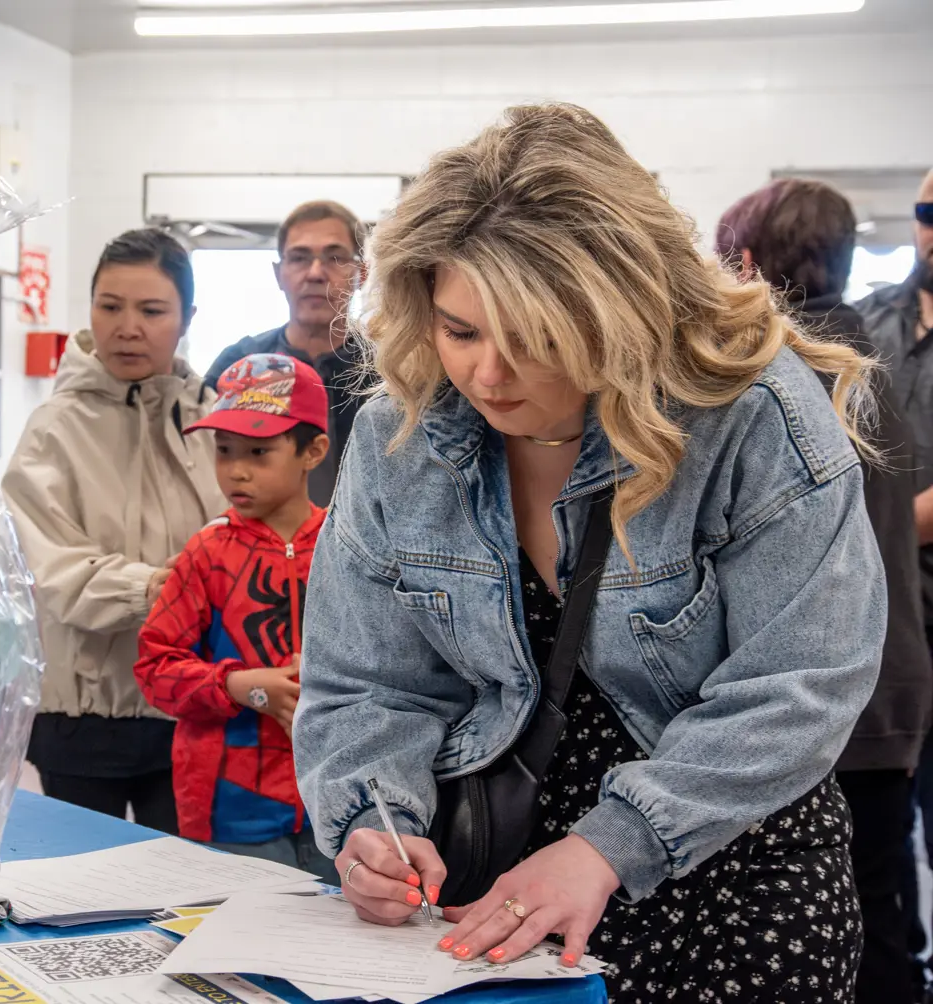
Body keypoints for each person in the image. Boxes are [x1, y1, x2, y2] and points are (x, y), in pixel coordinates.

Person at [293, 104, 885, 1003]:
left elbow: (802, 684)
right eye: (460, 331)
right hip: (501, 879)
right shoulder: (397, 435)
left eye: (534, 339)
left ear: (624, 310)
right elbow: (366, 682)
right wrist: (374, 824)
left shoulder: (751, 414)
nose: (488, 375)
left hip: (733, 875)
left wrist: (611, 846)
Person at [717, 177, 931, 1004]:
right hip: (884, 685)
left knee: (838, 935)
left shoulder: (780, 382)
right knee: (883, 915)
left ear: (743, 265)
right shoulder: (865, 361)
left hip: (824, 697)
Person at [3, 228, 227, 833]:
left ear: (187, 319)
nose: (128, 328)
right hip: (83, 718)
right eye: (110, 307)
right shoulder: (53, 430)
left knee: (187, 885)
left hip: (192, 709)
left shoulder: (212, 425)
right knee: (79, 882)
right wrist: (160, 588)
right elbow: (51, 571)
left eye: (151, 311)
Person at [134, 353, 334, 880]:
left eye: (258, 452)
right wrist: (240, 686)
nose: (236, 471)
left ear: (313, 451)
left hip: (338, 802)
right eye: (224, 451)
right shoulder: (206, 554)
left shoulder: (347, 546)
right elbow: (155, 669)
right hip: (231, 808)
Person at [860, 167, 933, 1002]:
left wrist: (858, 530)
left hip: (918, 606)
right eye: (926, 211)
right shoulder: (874, 321)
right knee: (883, 864)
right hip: (886, 629)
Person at [204, 201, 369, 507]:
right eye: (299, 258)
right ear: (278, 274)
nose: (316, 273)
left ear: (362, 273)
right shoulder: (239, 367)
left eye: (335, 258)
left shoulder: (389, 373)